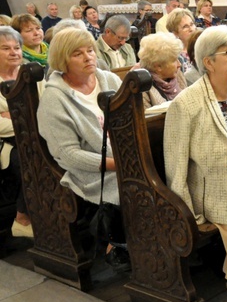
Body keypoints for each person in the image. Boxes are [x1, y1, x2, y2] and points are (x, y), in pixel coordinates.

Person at [164, 26, 227, 295]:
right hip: (219, 187)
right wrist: (190, 216)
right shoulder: (186, 104)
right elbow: (176, 166)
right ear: (208, 62)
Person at [38, 27, 130, 270]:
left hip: (125, 156)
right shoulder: (55, 98)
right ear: (62, 60)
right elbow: (68, 154)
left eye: (90, 50)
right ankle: (119, 244)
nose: (88, 57)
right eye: (77, 54)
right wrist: (118, 164)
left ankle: (164, 238)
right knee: (133, 183)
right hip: (90, 168)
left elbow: (134, 119)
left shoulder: (108, 79)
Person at [0, 26, 42, 238]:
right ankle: (23, 217)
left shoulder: (30, 72)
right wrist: (25, 118)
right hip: (8, 144)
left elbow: (45, 105)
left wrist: (12, 114)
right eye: (5, 48)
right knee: (30, 158)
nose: (14, 52)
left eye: (16, 47)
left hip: (39, 134)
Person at [136, 32, 186, 109]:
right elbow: (148, 119)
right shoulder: (142, 85)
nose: (179, 64)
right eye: (174, 60)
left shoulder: (177, 73)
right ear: (158, 66)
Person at [164, 8, 196, 74]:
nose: (191, 29)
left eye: (192, 24)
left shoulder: (201, 48)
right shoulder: (174, 55)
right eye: (185, 26)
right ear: (175, 33)